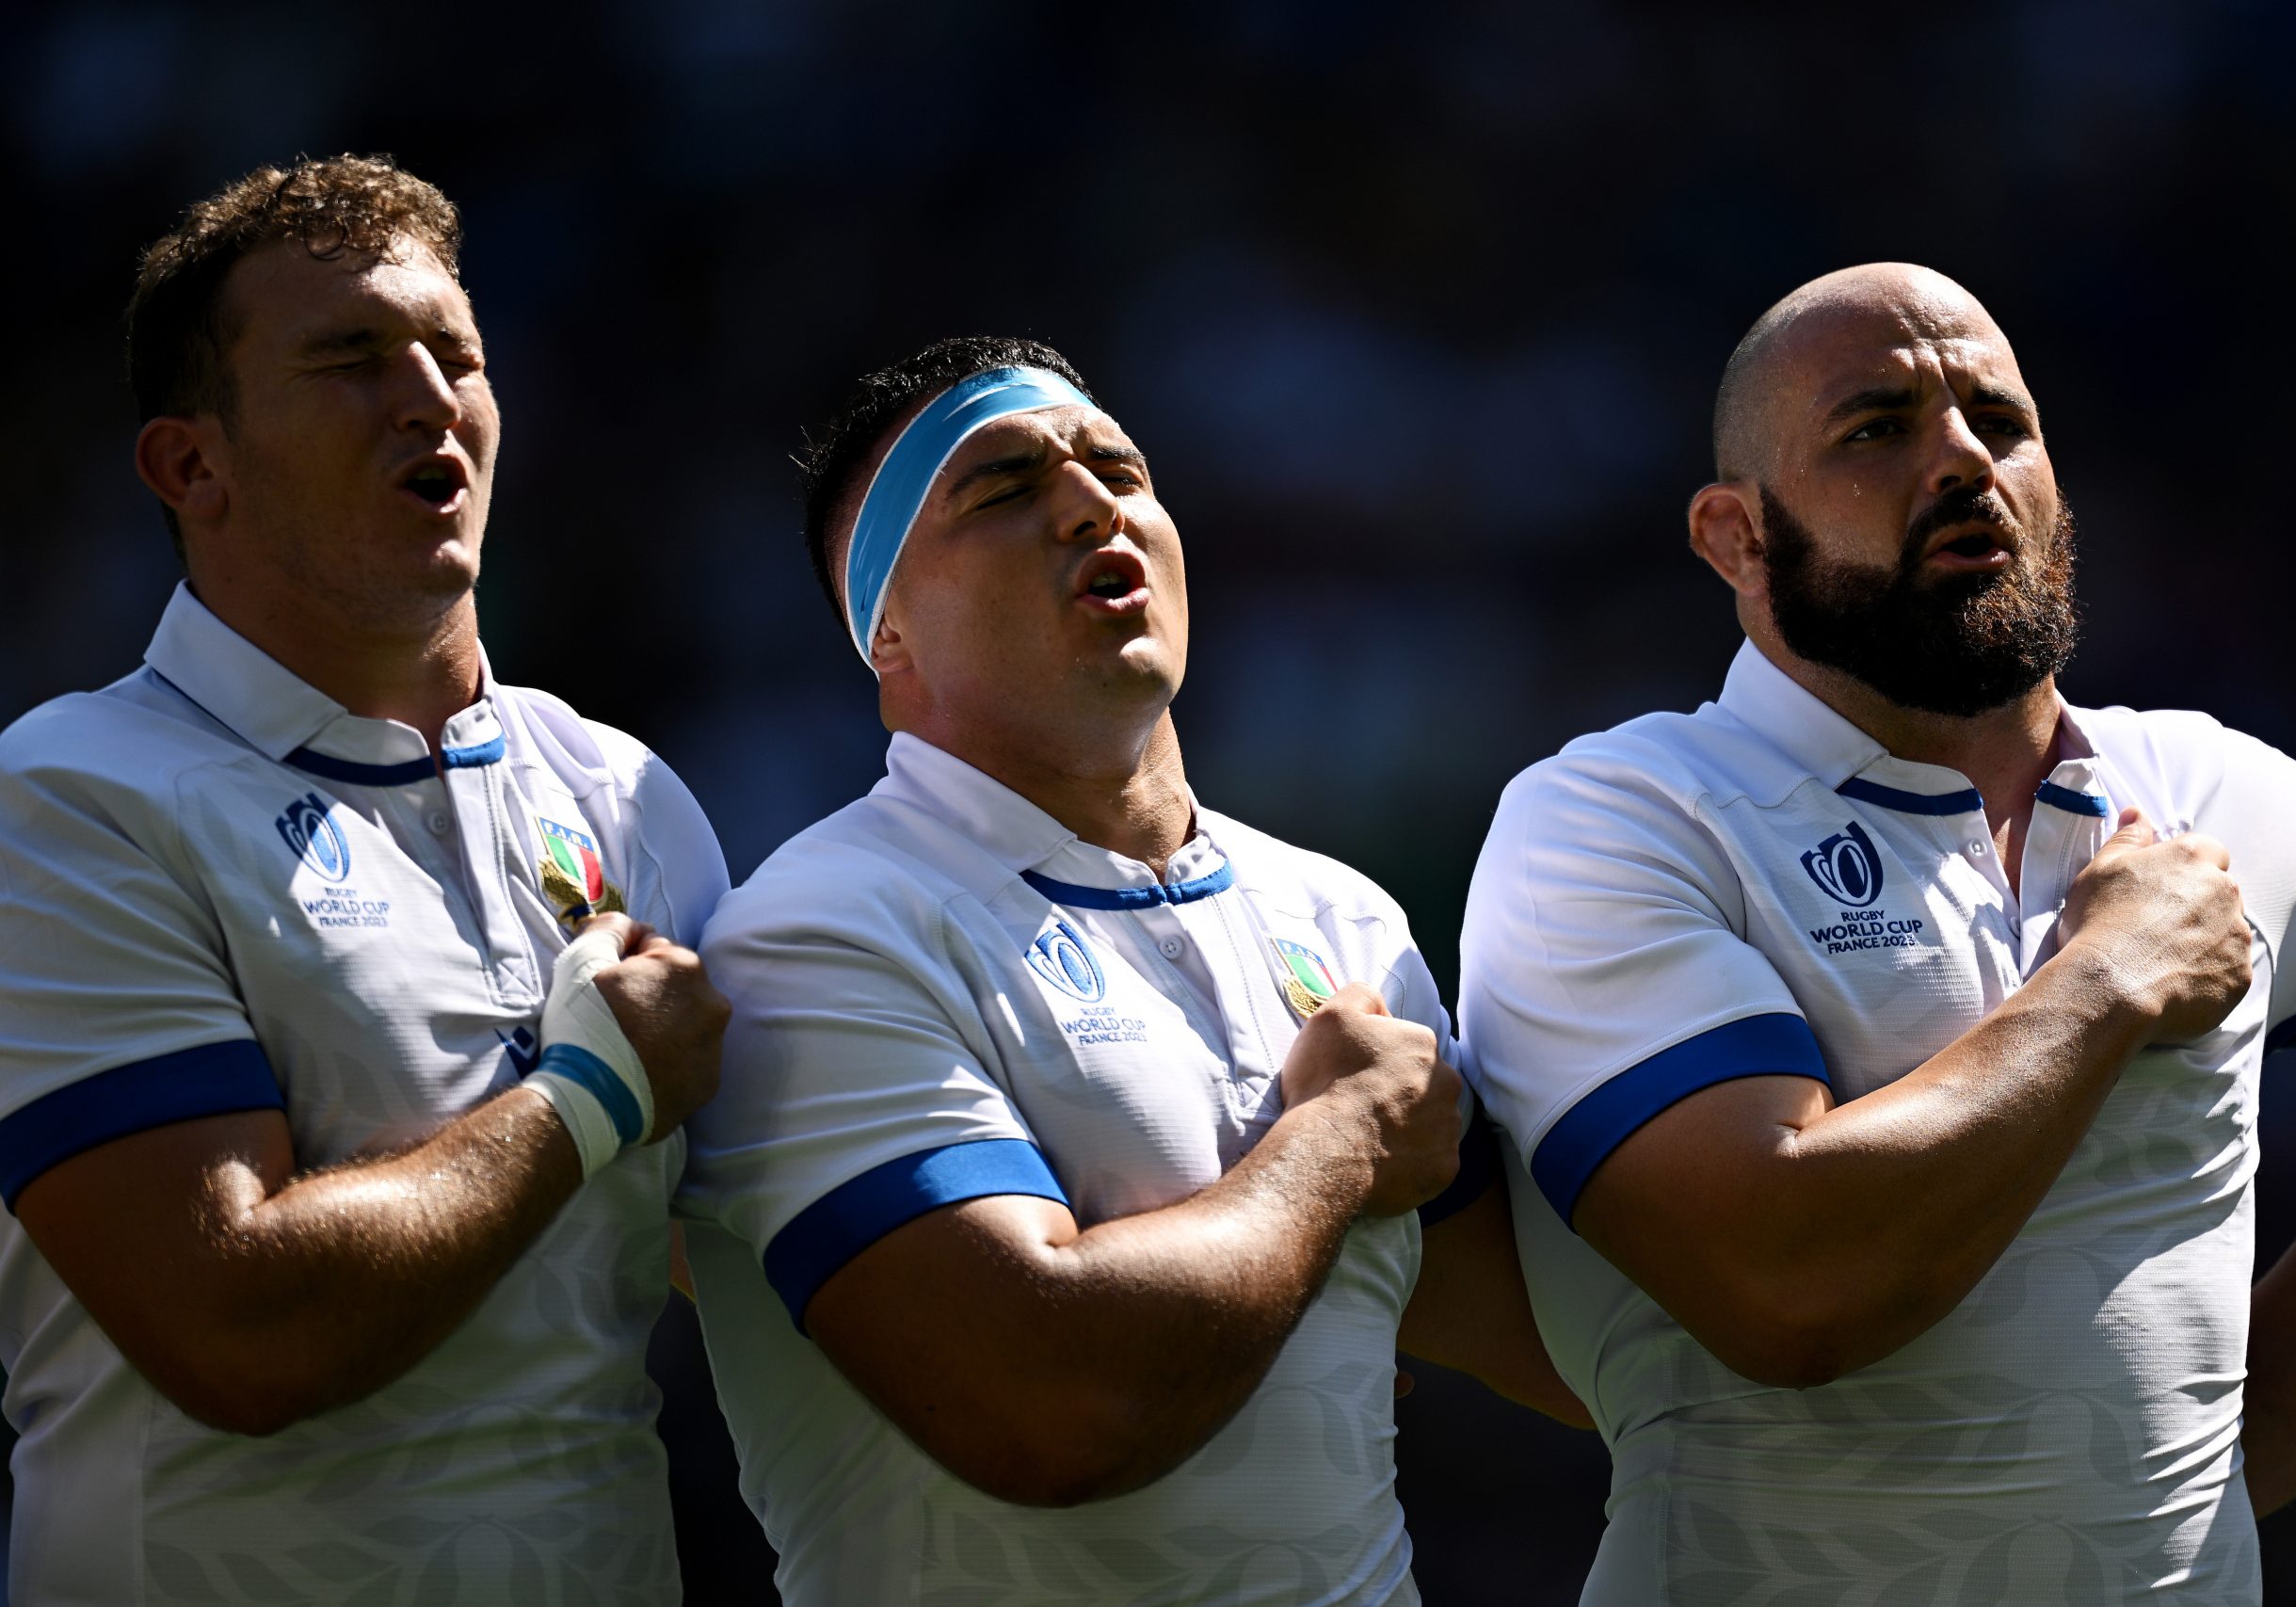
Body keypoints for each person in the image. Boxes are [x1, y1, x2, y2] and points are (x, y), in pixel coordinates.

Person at [1457, 262, 2296, 1602]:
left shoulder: (2205, 790)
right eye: (1875, 429)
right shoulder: (1621, 819)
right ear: (1736, 537)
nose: (1963, 459)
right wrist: (2111, 976)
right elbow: (1788, 1288)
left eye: (1999, 421)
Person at [676, 337, 1582, 1606]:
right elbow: (1053, 1405)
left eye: (1120, 467)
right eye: (998, 488)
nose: (1090, 501)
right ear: (890, 639)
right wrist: (1335, 1143)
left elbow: (1577, 1349)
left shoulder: (1339, 916)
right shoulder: (819, 935)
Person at [0, 155, 730, 1601]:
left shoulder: (619, 791)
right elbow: (236, 1332)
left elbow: (781, 1259)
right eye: (349, 359)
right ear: (190, 465)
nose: (428, 400)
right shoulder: (71, 797)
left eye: (455, 356)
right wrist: (587, 1099)